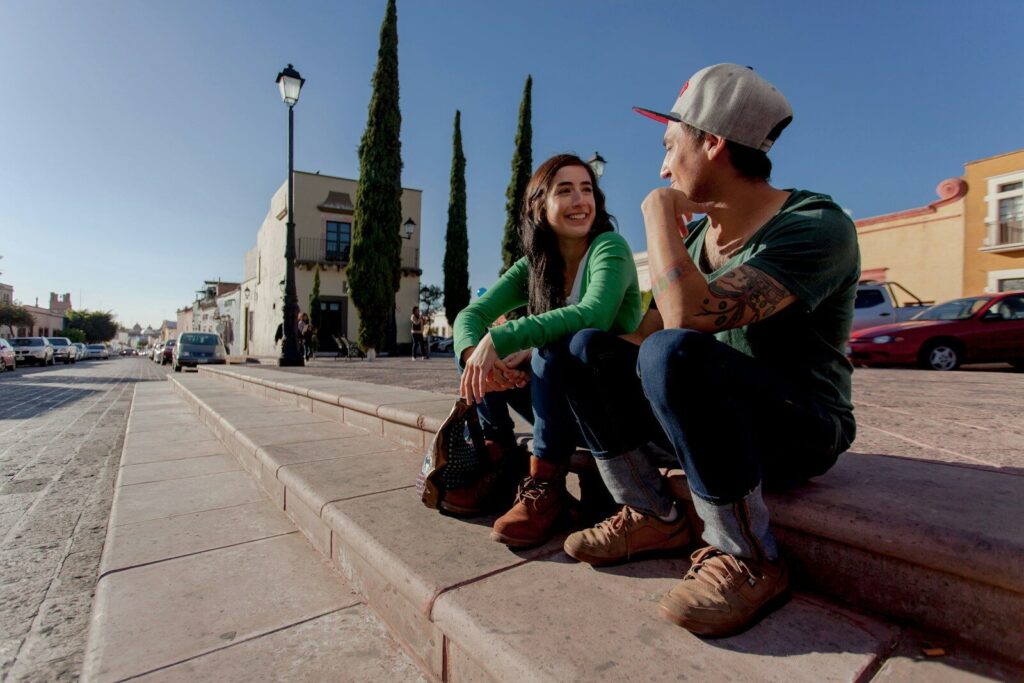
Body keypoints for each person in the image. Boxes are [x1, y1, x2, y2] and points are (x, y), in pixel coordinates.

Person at [558, 64, 860, 637]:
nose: (663, 166)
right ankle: (653, 512)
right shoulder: (697, 239)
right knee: (583, 350)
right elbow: (644, 329)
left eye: (671, 147)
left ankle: (750, 557)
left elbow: (685, 320)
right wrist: (533, 346)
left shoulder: (816, 225)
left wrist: (654, 213)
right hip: (715, 422)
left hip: (803, 428)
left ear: (713, 143)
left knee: (675, 352)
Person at [452, 153, 642, 547]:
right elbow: (471, 315)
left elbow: (594, 314)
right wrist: (475, 355)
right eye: (565, 190)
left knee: (548, 350)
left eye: (587, 189)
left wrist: (506, 339)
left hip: (612, 407)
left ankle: (545, 486)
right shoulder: (534, 265)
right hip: (561, 401)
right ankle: (499, 457)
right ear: (539, 206)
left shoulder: (610, 248)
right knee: (489, 359)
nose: (580, 201)